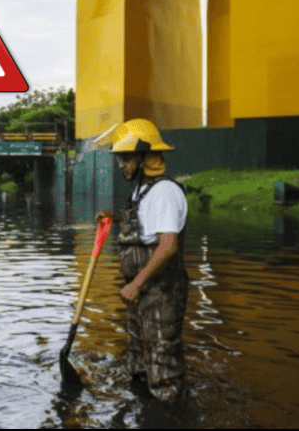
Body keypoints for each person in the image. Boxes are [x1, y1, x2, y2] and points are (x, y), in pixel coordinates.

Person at [95, 119, 189, 404]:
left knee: (162, 360)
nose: (121, 165)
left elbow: (168, 247)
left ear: (145, 157)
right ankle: (142, 408)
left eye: (126, 158)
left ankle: (171, 414)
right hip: (141, 293)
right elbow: (144, 223)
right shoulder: (142, 191)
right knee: (139, 358)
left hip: (161, 292)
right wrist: (114, 217)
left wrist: (136, 283)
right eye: (120, 159)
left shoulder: (164, 193)